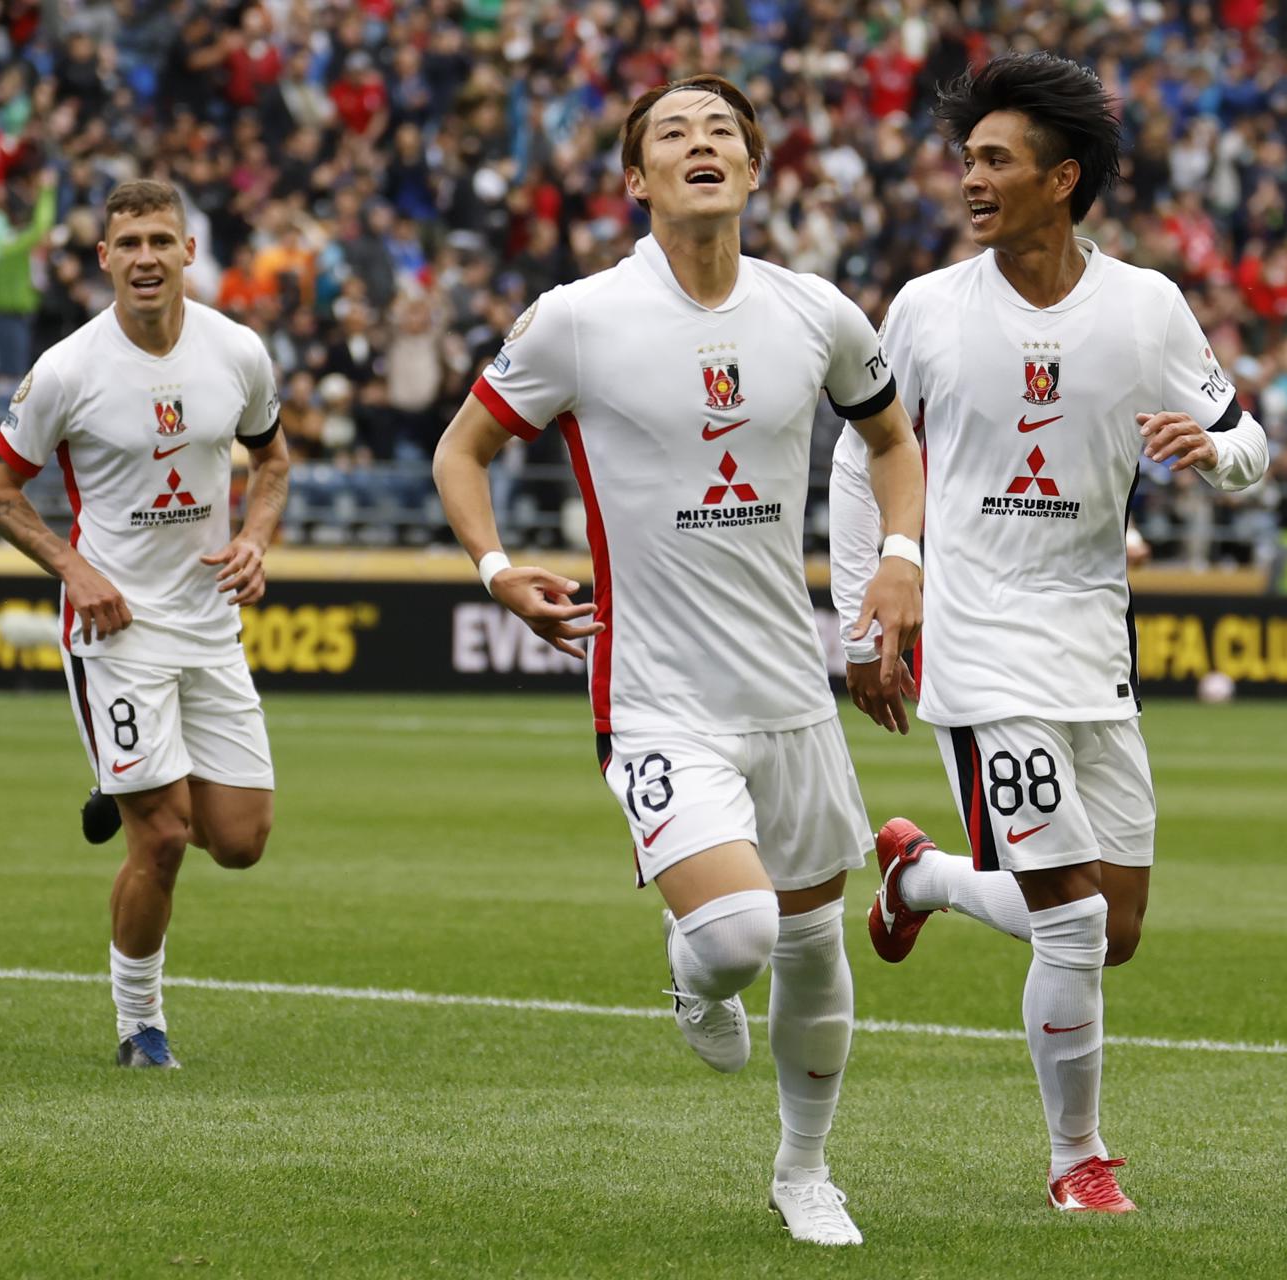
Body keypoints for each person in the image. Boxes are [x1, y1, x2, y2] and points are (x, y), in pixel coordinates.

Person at [430, 74, 924, 1247]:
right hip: (659, 696)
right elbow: (463, 450)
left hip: (789, 693)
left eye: (722, 134)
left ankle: (805, 1172)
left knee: (809, 943)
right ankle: (694, 967)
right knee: (741, 937)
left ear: (753, 171)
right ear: (635, 178)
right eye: (673, 134)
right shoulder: (577, 319)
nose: (700, 145)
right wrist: (497, 568)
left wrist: (899, 556)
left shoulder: (816, 312)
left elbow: (893, 437)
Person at [827, 53, 1268, 1215]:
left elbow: (1249, 443)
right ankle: (1079, 1156)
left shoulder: (1147, 306)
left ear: (1062, 178)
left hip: (1094, 642)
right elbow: (859, 461)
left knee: (1112, 928)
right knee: (1069, 917)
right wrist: (858, 614)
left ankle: (920, 876)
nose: (970, 178)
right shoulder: (924, 309)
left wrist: (1216, 455)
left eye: (995, 160)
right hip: (975, 645)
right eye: (966, 158)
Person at [0, 179, 291, 1069]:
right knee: (165, 837)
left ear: (190, 251)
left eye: (161, 240)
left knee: (240, 841)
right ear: (103, 259)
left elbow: (272, 460)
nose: (145, 257)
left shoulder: (238, 351)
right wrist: (76, 569)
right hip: (115, 633)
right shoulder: (69, 369)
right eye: (128, 244)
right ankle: (139, 1026)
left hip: (208, 624)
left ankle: (120, 775)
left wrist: (257, 539)